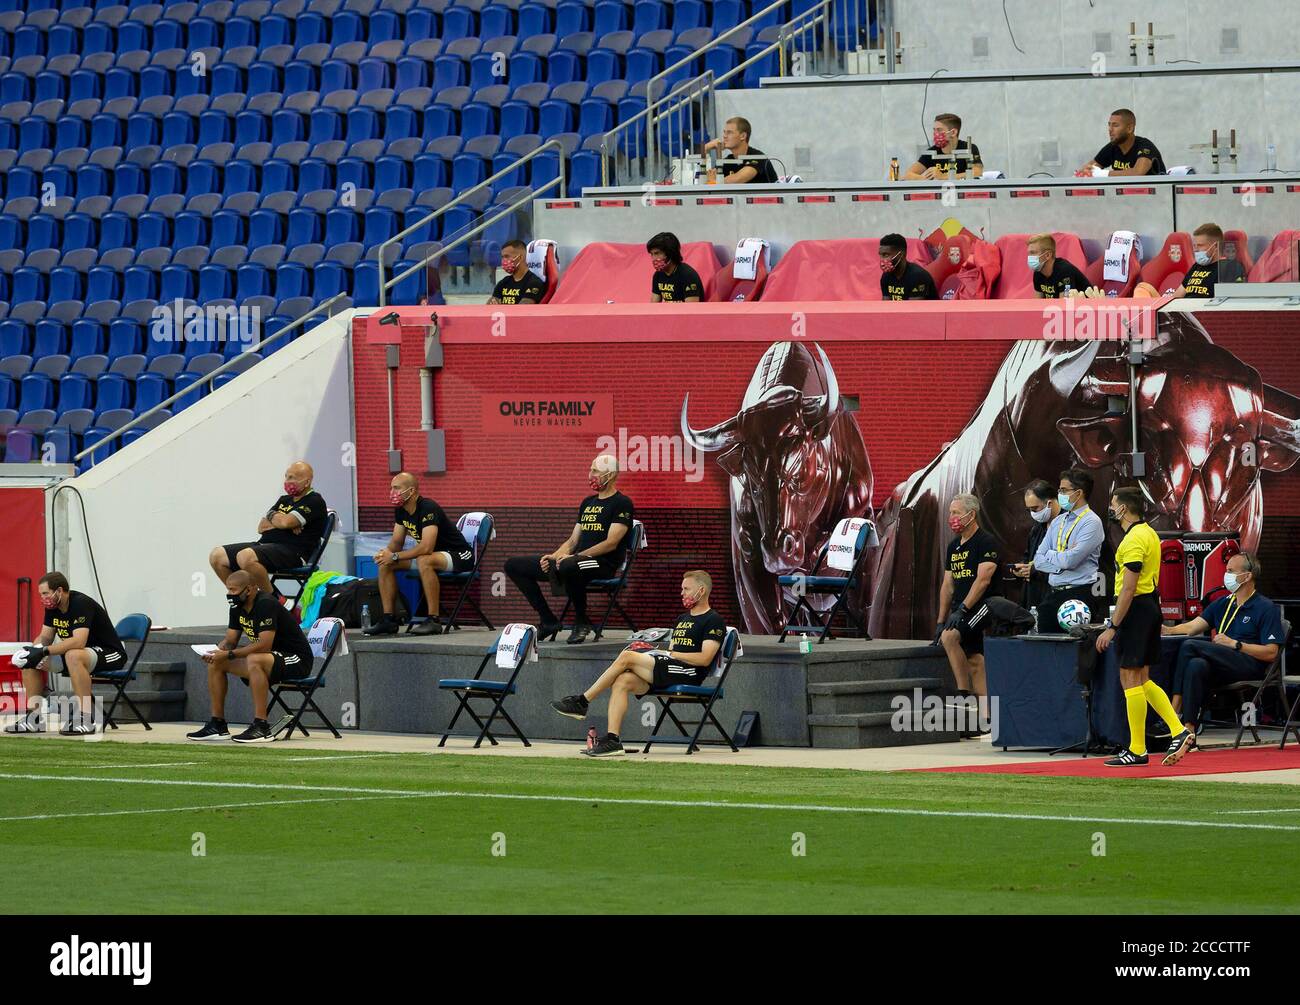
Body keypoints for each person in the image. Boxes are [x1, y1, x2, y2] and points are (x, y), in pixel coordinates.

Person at [551, 570, 726, 757]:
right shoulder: (682, 619)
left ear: (701, 591)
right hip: (670, 668)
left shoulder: (713, 620)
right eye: (682, 588)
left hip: (689, 674)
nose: (681, 593)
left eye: (686, 589)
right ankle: (613, 740)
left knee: (628, 657)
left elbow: (705, 659)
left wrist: (668, 653)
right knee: (623, 680)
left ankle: (582, 701)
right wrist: (656, 651)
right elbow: (671, 653)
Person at [1094, 487, 1191, 767]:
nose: (1111, 509)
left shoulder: (1134, 539)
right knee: (1143, 678)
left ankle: (1138, 749)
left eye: (1114, 504)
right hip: (1148, 607)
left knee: (1130, 677)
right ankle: (1177, 730)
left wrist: (1113, 625)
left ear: (1124, 508)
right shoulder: (1148, 532)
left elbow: (1128, 588)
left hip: (1136, 609)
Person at [1160, 552, 1284, 765]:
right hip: (1223, 664)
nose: (1225, 576)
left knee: (1190, 646)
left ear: (1246, 576)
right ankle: (1187, 731)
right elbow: (1191, 627)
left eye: (1230, 571)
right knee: (1195, 664)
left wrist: (1235, 644)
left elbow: (1272, 652)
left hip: (1249, 663)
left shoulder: (1265, 607)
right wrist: (1165, 630)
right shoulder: (1223, 603)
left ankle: (1172, 716)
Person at [504, 453, 634, 644]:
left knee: (569, 566)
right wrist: (554, 556)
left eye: (596, 471)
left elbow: (611, 543)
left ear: (611, 475)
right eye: (591, 469)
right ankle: (548, 620)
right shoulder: (587, 503)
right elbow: (573, 540)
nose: (591, 474)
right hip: (576, 561)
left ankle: (581, 623)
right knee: (514, 565)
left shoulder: (622, 503)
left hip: (603, 564)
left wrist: (575, 557)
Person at [187, 570, 315, 743]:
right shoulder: (237, 606)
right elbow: (230, 640)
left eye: (234, 590)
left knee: (255, 658)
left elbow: (264, 644)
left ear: (250, 589)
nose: (230, 595)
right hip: (267, 659)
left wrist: (229, 654)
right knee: (217, 663)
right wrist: (216, 652)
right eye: (228, 590)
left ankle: (261, 726)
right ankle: (217, 725)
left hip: (296, 659)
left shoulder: (266, 604)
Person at [4, 572, 126, 735]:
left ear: (59, 591)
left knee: (73, 654)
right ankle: (34, 718)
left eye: (45, 593)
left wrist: (43, 650)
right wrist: (32, 650)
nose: (43, 598)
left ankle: (86, 718)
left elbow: (78, 641)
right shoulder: (52, 607)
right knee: (30, 660)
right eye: (41, 594)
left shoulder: (81, 603)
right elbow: (46, 636)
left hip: (110, 653)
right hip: (79, 656)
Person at [364, 472, 476, 636]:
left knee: (424, 560)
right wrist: (385, 554)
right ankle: (389, 620)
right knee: (385, 564)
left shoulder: (428, 508)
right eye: (391, 488)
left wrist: (395, 556)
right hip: (434, 555)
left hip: (459, 554)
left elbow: (426, 548)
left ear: (412, 491)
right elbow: (396, 543)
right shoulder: (401, 511)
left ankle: (434, 620)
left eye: (397, 488)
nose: (392, 493)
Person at [209, 461, 328, 598]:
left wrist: (281, 521)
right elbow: (261, 527)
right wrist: (281, 521)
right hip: (264, 545)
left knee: (245, 556)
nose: (287, 481)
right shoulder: (284, 500)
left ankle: (274, 600)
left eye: (292, 477)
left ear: (306, 482)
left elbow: (285, 522)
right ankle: (246, 598)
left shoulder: (314, 501)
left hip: (293, 552)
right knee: (217, 556)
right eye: (286, 476)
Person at [936, 493, 1000, 734]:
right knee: (975, 660)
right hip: (960, 611)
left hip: (983, 606)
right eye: (950, 512)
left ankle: (963, 697)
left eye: (955, 512)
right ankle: (986, 719)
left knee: (950, 637)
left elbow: (983, 580)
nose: (951, 517)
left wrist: (963, 609)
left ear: (970, 515)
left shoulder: (986, 542)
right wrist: (941, 620)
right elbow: (947, 585)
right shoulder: (954, 547)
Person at [1014, 470, 1107, 632]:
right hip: (1053, 594)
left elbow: (1071, 561)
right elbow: (1039, 560)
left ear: (1078, 493)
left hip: (1078, 595)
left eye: (1063, 490)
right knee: (1044, 642)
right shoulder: (1058, 521)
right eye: (1059, 490)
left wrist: (1052, 556)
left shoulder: (1091, 522)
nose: (1059, 494)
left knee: (1074, 650)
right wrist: (1060, 560)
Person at [1011, 479, 1057, 614]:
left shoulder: (1068, 525)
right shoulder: (1036, 529)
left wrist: (1035, 568)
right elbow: (1028, 556)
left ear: (1049, 502)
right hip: (1034, 595)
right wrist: (1022, 568)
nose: (1033, 513)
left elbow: (1067, 560)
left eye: (1035, 508)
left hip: (1056, 594)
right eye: (1029, 510)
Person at [1078, 109, 1165, 176]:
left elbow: (1138, 172)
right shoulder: (1112, 147)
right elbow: (1089, 169)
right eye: (1109, 125)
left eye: (1115, 125)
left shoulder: (1145, 146)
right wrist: (1085, 171)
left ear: (1129, 128)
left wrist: (1102, 174)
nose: (1110, 129)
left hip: (1156, 196)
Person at [1175, 223, 1247, 298]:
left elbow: (1227, 301)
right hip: (1185, 307)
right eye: (1194, 246)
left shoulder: (1230, 267)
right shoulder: (1196, 266)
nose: (1195, 249)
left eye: (1200, 245)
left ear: (1215, 246)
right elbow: (1177, 297)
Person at [904, 114, 982, 180]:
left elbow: (978, 172)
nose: (935, 133)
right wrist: (928, 179)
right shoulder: (931, 152)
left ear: (953, 132)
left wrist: (944, 177)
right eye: (934, 130)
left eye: (939, 130)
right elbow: (908, 174)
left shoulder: (969, 148)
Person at [702, 116, 778, 184]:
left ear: (743, 136)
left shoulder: (758, 157)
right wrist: (706, 148)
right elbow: (704, 181)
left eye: (729, 132)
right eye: (724, 132)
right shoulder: (727, 161)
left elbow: (737, 179)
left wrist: (714, 181)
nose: (724, 136)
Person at [1028, 234, 1090, 299]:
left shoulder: (1065, 271)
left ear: (1048, 255)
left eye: (1033, 253)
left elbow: (1064, 304)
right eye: (1029, 253)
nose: (1029, 257)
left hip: (1085, 307)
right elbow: (1037, 303)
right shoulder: (1038, 272)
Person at [879, 233, 938, 300]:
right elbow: (886, 306)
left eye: (885, 255)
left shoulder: (917, 276)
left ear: (901, 255)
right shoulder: (886, 276)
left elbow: (914, 309)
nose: (882, 260)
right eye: (880, 255)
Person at [647, 232, 703, 303]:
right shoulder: (658, 275)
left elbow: (691, 310)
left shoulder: (688, 275)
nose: (654, 258)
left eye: (657, 253)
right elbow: (653, 307)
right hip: (669, 313)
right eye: (652, 254)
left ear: (670, 253)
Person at [487, 239, 546, 305]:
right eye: (502, 257)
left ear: (520, 258)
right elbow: (489, 306)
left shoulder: (534, 283)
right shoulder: (503, 283)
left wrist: (500, 307)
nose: (503, 261)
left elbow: (522, 310)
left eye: (507, 256)